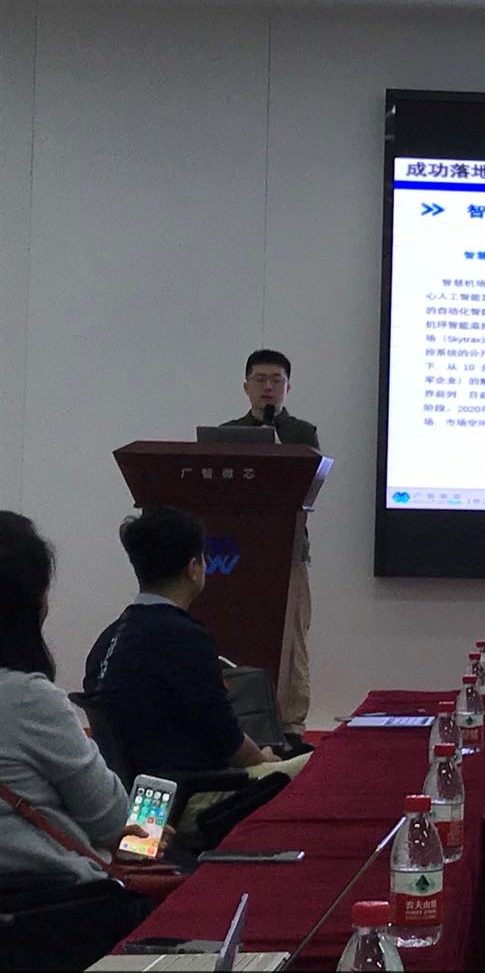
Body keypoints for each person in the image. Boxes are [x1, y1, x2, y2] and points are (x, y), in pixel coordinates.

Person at [83, 507, 307, 834]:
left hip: (138, 807)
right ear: (194, 568)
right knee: (322, 765)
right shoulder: (184, 638)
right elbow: (232, 747)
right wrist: (266, 760)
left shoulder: (107, 640)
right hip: (192, 799)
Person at [0, 511, 165, 885]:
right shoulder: (28, 699)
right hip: (53, 902)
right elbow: (112, 822)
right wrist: (139, 834)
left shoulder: (113, 638)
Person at [220, 348, 319, 746]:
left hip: (289, 551)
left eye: (276, 380)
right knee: (236, 632)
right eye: (260, 380)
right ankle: (235, 719)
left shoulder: (302, 433)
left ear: (288, 387)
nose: (268, 388)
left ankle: (292, 726)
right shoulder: (227, 433)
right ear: (245, 386)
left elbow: (310, 487)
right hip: (239, 553)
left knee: (293, 640)